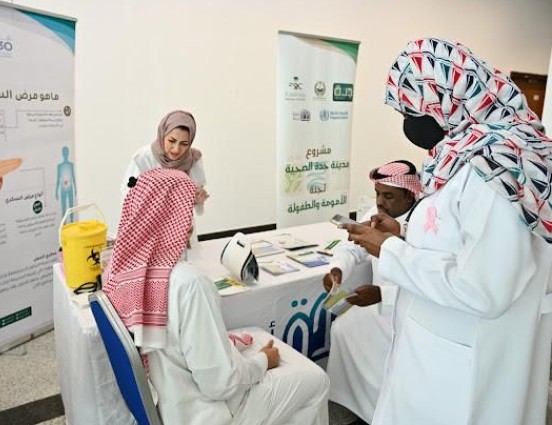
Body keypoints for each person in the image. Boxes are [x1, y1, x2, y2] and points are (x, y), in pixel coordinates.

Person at [344, 37, 552, 425]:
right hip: (439, 346)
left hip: (462, 366)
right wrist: (404, 233)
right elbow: (458, 238)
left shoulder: (494, 169)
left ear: (448, 99)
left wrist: (391, 250)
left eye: (412, 109)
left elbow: (485, 289)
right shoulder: (464, 157)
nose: (408, 122)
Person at [104, 168, 329, 425]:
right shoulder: (188, 284)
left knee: (254, 334)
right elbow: (221, 384)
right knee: (316, 380)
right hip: (206, 413)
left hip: (166, 402)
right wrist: (262, 362)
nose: (189, 222)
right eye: (186, 210)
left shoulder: (119, 272)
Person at [323, 160, 421, 424]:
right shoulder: (376, 215)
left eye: (388, 196)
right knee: (342, 328)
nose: (379, 202)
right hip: (377, 305)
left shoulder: (422, 224)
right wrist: (337, 270)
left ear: (409, 195)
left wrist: (381, 294)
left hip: (409, 314)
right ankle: (348, 404)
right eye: (377, 194)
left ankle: (381, 412)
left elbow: (424, 281)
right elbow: (350, 248)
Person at [121, 110, 209, 213]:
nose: (176, 149)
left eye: (184, 144)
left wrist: (198, 199)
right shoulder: (143, 158)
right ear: (162, 135)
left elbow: (196, 199)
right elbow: (128, 194)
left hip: (179, 220)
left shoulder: (193, 159)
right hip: (147, 219)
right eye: (171, 141)